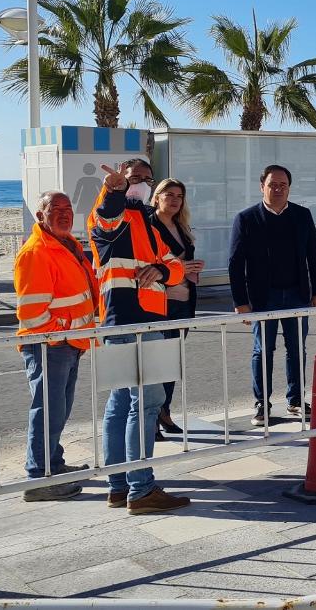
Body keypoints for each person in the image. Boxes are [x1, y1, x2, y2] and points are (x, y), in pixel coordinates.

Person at [91, 159, 190, 515]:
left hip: (142, 320)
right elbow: (106, 219)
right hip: (129, 322)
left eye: (147, 180)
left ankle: (119, 487)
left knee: (121, 404)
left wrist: (162, 269)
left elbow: (175, 265)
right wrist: (114, 190)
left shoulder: (146, 221)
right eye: (135, 179)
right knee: (146, 402)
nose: (141, 185)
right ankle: (141, 489)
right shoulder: (112, 211)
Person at [13, 191, 97, 502]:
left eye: (67, 208)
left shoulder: (66, 245)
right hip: (50, 345)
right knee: (47, 411)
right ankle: (38, 478)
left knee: (57, 410)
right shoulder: (36, 252)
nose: (63, 214)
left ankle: (53, 464)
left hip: (67, 343)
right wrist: (65, 332)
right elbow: (32, 314)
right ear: (40, 216)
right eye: (54, 209)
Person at [228, 164, 316, 426]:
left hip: (297, 295)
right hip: (263, 298)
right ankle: (262, 404)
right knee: (263, 350)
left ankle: (295, 399)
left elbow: (314, 257)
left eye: (283, 185)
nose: (278, 189)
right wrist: (240, 303)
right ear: (262, 186)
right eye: (273, 184)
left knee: (296, 349)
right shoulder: (246, 218)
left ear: (289, 188)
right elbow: (235, 264)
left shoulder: (302, 215)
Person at [149, 178, 205, 442]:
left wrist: (192, 269)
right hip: (160, 302)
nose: (174, 200)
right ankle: (152, 419)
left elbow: (181, 263)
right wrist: (183, 268)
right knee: (157, 364)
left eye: (179, 196)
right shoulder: (149, 226)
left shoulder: (181, 226)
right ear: (157, 196)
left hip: (183, 301)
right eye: (169, 194)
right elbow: (151, 265)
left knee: (172, 364)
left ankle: (164, 411)